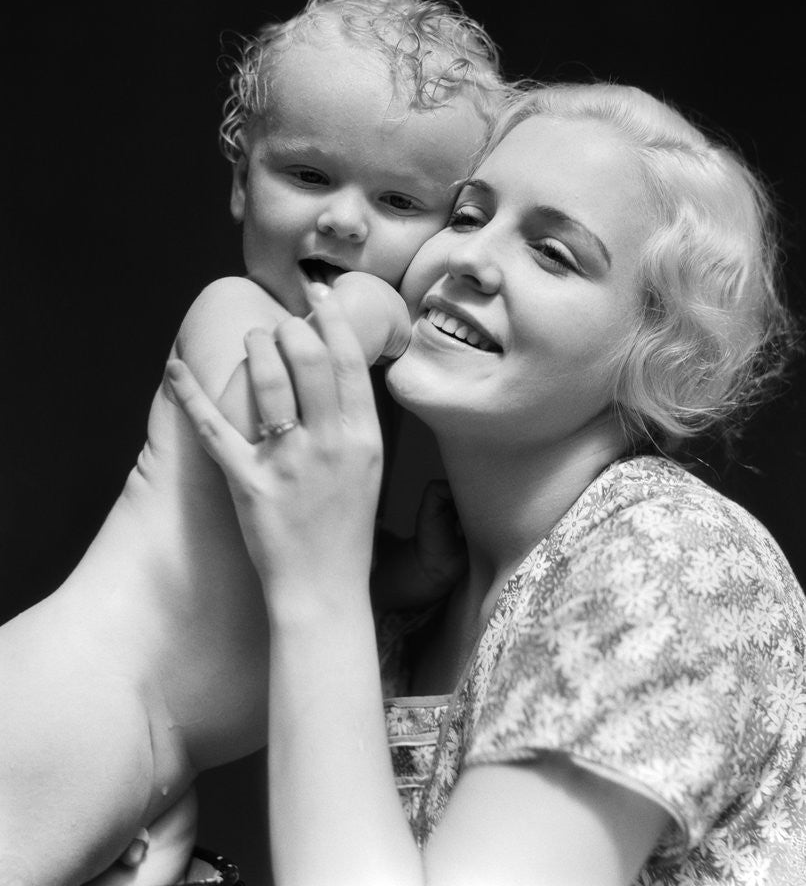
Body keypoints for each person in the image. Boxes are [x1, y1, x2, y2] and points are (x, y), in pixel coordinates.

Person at [169, 80, 806, 885]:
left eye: (553, 252)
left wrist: (316, 584)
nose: (467, 257)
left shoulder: (672, 557)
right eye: (468, 215)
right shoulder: (418, 606)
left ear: (657, 354)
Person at [0, 0, 506, 886]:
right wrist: (364, 315)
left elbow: (292, 556)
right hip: (77, 700)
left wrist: (401, 572)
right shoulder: (232, 312)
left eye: (398, 203)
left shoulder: (350, 393)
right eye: (307, 175)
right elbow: (251, 434)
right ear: (243, 183)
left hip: (157, 748)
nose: (343, 218)